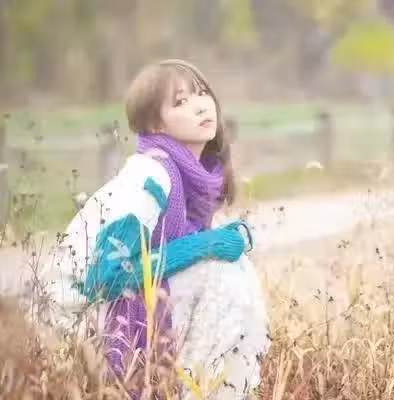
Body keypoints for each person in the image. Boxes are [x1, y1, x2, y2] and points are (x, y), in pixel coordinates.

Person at [46, 59, 270, 398]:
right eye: (180, 102)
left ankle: (220, 389)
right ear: (155, 124)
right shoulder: (151, 176)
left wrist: (214, 242)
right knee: (222, 272)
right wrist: (206, 245)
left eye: (201, 93)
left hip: (121, 301)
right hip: (81, 316)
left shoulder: (195, 174)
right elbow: (106, 276)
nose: (200, 106)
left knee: (235, 268)